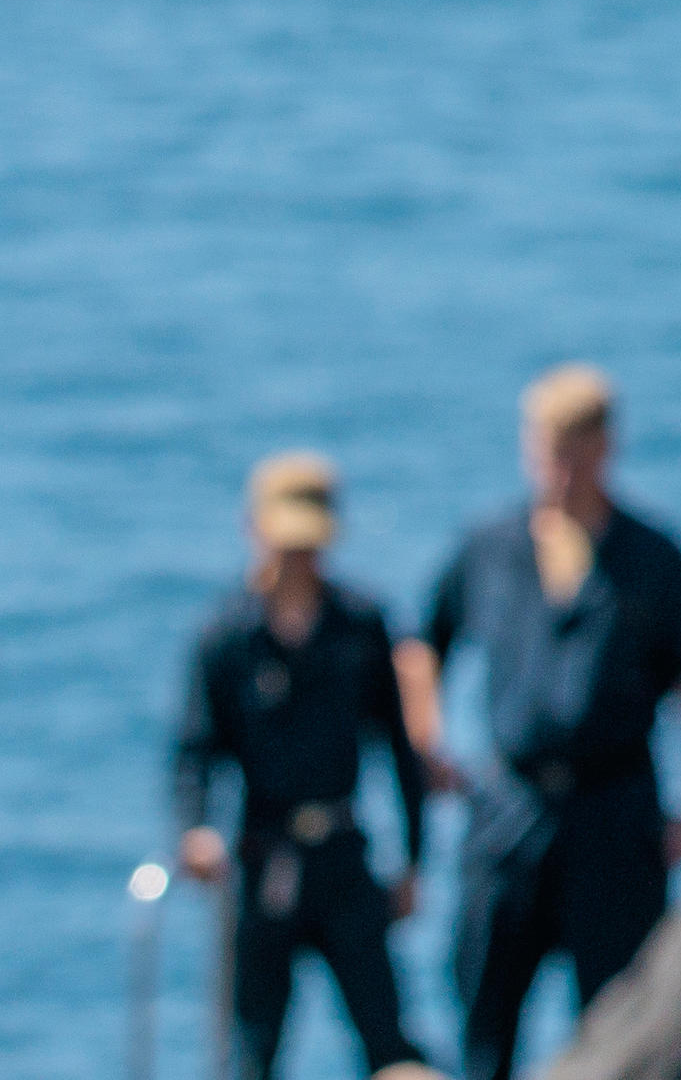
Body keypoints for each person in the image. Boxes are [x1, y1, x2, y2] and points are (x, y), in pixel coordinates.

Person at [407, 366, 681, 1080]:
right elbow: (424, 643)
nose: (561, 470)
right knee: (484, 1008)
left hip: (615, 809)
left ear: (606, 448)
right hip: (511, 806)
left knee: (624, 1018)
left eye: (575, 452)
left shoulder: (652, 555)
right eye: (549, 451)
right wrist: (428, 742)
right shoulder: (490, 545)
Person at [173, 451, 432, 1080]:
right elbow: (196, 753)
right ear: (254, 530)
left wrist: (414, 862)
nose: (297, 558)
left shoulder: (362, 626)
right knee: (254, 1050)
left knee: (386, 1037)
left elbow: (400, 750)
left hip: (345, 856)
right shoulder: (225, 638)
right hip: (264, 863)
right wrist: (198, 829)